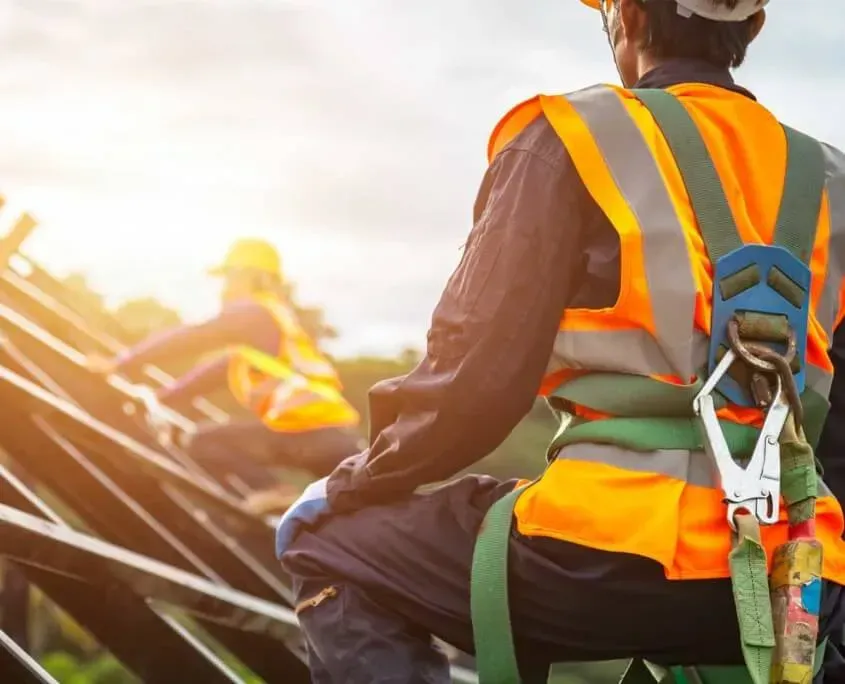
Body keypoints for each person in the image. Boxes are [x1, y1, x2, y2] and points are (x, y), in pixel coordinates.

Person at [274, 1, 845, 683]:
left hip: (607, 555)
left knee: (323, 540)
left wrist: (359, 479)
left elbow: (473, 380)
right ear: (750, 25)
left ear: (626, 17)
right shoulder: (831, 180)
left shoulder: (572, 136)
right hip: (800, 582)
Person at [85, 238, 365, 502]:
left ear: (254, 277)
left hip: (307, 432)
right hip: (334, 440)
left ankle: (273, 491)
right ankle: (275, 497)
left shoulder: (254, 313)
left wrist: (119, 363)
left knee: (203, 442)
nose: (225, 287)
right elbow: (207, 377)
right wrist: (160, 399)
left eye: (231, 276)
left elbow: (193, 337)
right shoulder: (270, 330)